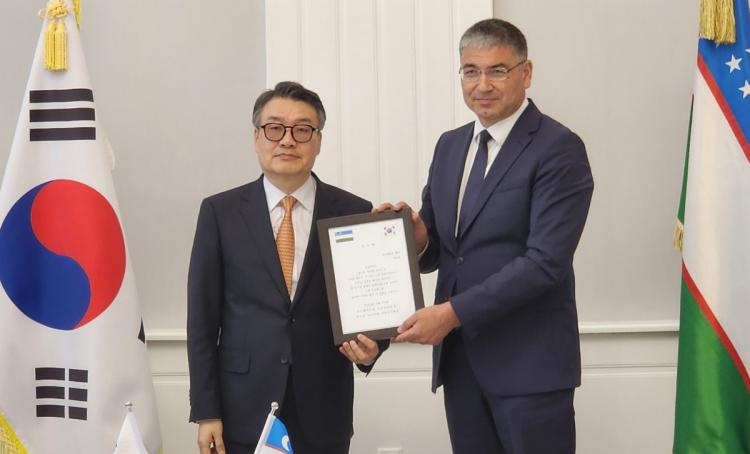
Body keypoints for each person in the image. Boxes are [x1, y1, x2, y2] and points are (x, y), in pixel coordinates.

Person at [377, 19, 593, 453]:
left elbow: (545, 264)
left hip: (530, 368)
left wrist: (451, 313)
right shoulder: (449, 145)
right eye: (471, 71)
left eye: (497, 70)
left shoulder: (559, 148)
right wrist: (416, 237)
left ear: (525, 73)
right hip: (461, 365)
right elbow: (443, 252)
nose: (482, 85)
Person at [187, 81, 385, 454]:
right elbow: (202, 321)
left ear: (318, 140)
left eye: (302, 130)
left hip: (324, 406)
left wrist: (375, 347)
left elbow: (371, 301)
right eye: (275, 128)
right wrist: (206, 411)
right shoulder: (220, 213)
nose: (288, 141)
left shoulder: (353, 211)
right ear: (256, 137)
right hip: (242, 407)